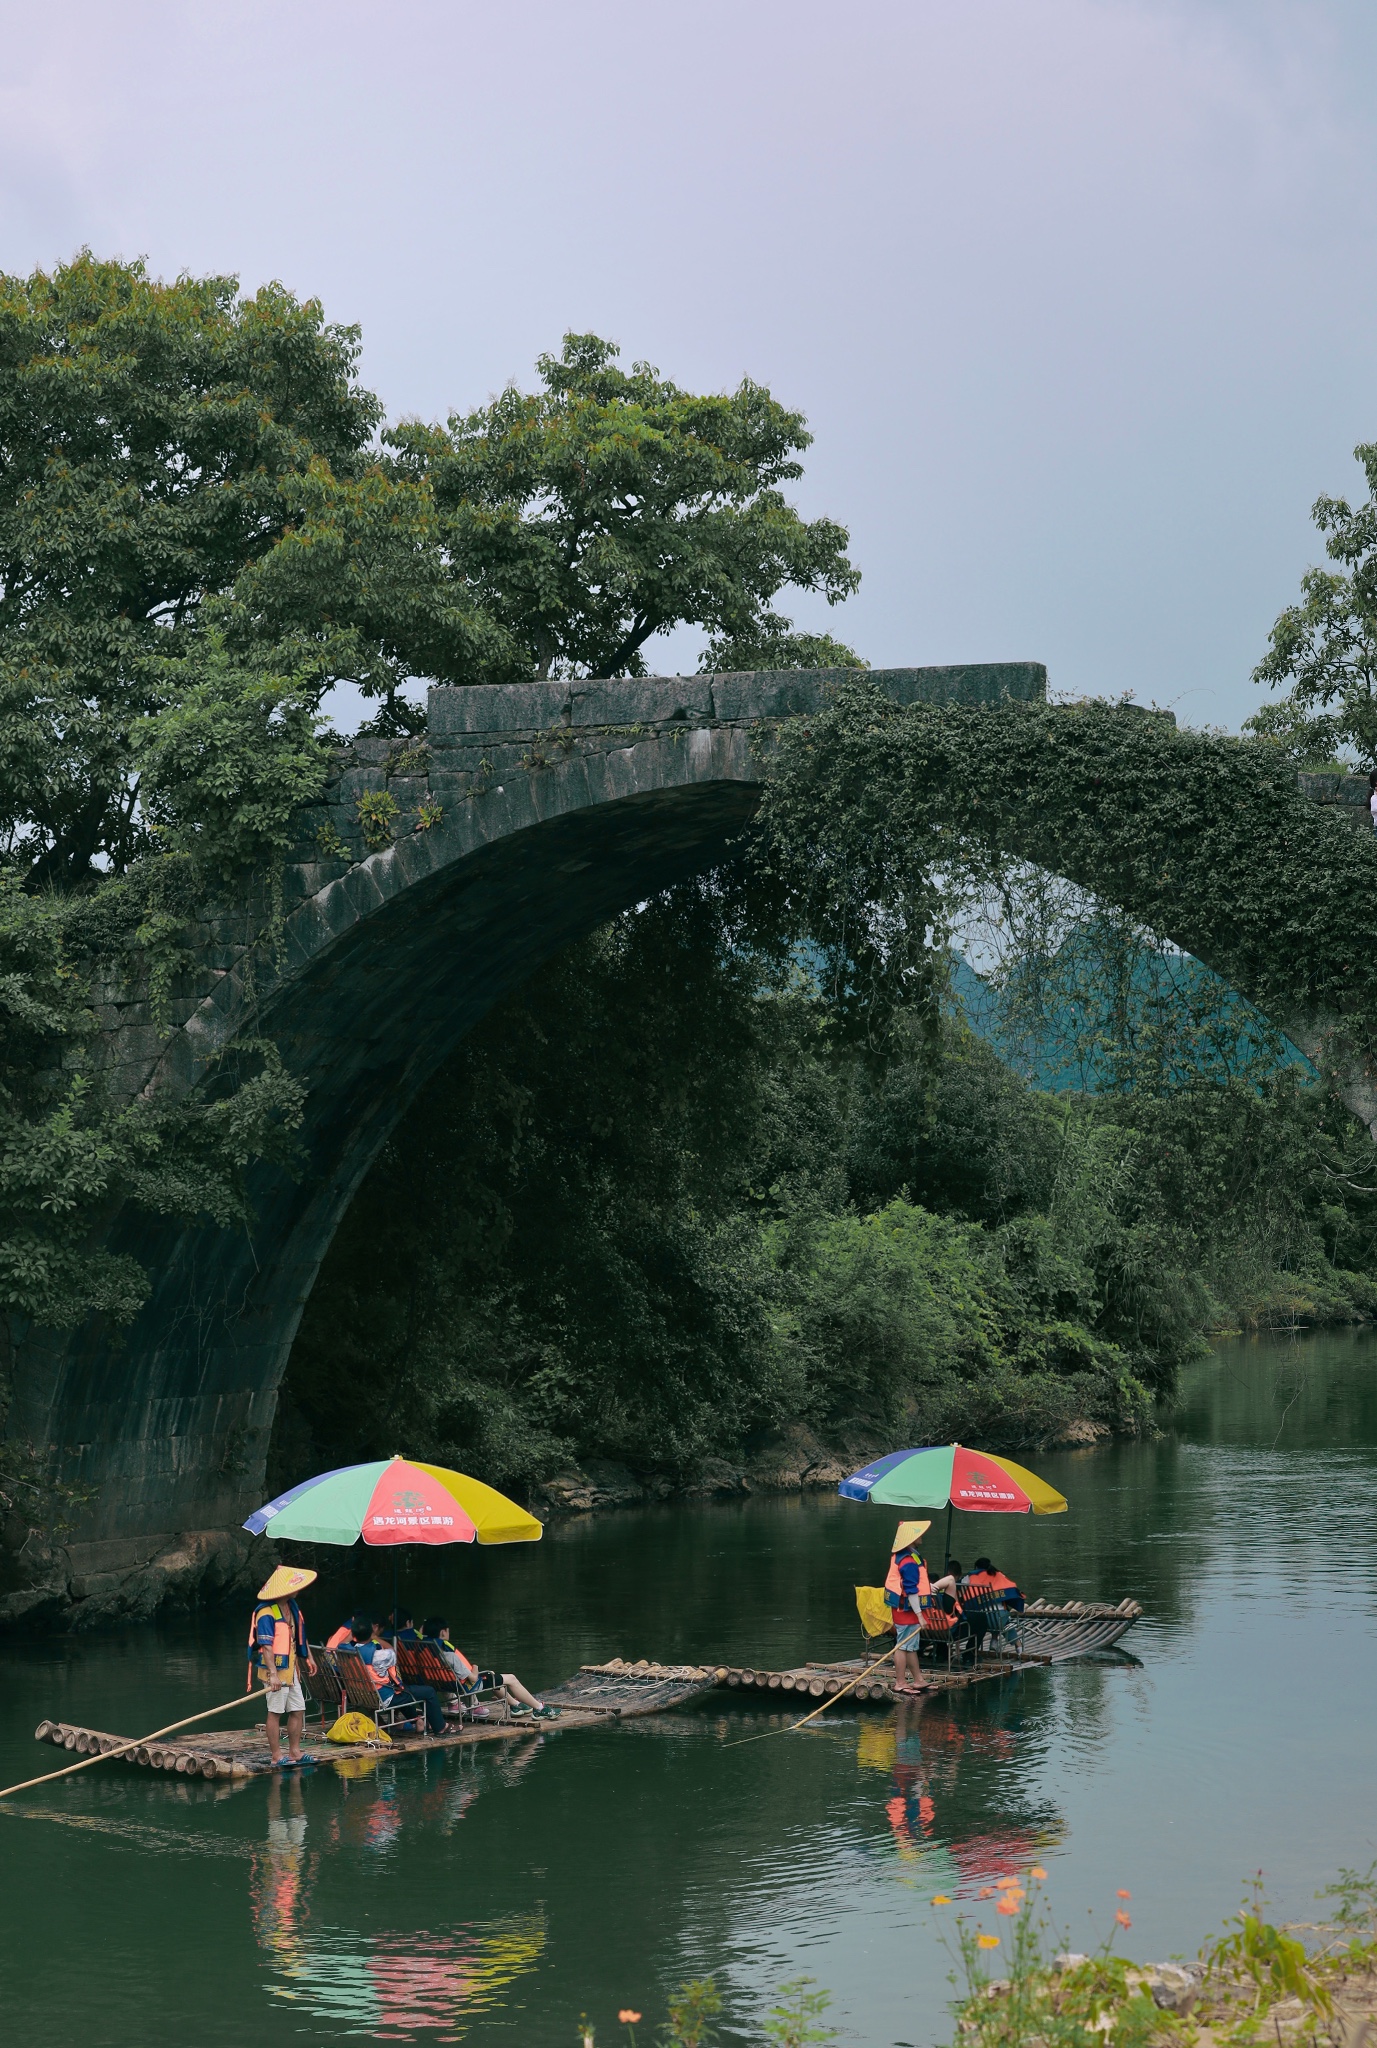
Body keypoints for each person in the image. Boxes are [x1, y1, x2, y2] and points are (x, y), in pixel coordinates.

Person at [421, 1615, 561, 1720]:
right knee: (511, 1678)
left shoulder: (421, 1651)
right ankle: (539, 1708)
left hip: (441, 1684)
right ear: (443, 1633)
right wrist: (474, 1667)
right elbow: (473, 1678)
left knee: (492, 1675)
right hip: (467, 1686)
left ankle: (515, 1706)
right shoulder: (449, 1655)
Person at [246, 1565, 319, 1767]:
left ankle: (295, 1752)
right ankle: (277, 1755)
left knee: (298, 1709)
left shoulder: (292, 1608)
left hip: (291, 1669)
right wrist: (273, 1675)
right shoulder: (266, 1613)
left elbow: (298, 1637)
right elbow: (266, 1646)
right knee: (275, 1711)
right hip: (275, 1671)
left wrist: (309, 1657)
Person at [884, 1523, 957, 1696]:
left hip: (907, 1610)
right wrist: (920, 1615)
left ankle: (918, 1680)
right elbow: (911, 1591)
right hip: (906, 1611)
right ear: (911, 1539)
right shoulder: (908, 1562)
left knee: (911, 1646)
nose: (921, 1536)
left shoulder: (908, 1556)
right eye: (918, 1534)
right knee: (902, 1646)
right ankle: (900, 1682)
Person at [361, 1622, 446, 1735]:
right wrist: (376, 1639)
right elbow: (392, 1652)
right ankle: (440, 1727)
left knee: (404, 1690)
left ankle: (417, 1721)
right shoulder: (376, 1655)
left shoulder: (348, 1651)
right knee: (428, 1691)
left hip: (364, 1695)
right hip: (384, 1698)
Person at [961, 1558, 1025, 1649]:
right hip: (998, 1620)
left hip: (978, 1620)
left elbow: (962, 1594)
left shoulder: (969, 1577)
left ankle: (994, 1641)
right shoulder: (999, 1575)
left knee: (989, 1613)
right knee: (1004, 1618)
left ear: (976, 1567)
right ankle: (1014, 1645)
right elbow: (1012, 1589)